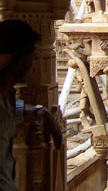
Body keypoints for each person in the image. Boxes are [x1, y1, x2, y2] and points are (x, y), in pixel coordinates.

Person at [0, 19, 62, 191]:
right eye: (31, 58)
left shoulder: (6, 96)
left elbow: (9, 110)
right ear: (16, 59)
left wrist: (38, 111)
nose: (33, 66)